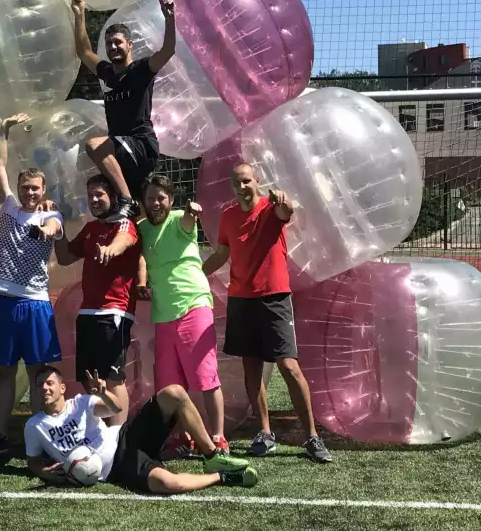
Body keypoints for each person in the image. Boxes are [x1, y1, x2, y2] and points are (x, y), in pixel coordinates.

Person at [203, 163, 333, 463]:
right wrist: (197, 274)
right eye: (237, 182)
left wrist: (282, 200)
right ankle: (264, 433)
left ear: (257, 182)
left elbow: (286, 211)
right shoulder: (228, 215)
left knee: (289, 366)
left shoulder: (269, 207)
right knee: (251, 368)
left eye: (246, 181)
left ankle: (311, 436)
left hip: (274, 298)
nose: (242, 186)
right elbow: (223, 252)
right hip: (241, 300)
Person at [24, 366, 257, 494]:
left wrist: (103, 392)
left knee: (173, 393)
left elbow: (116, 407)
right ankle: (223, 477)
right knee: (169, 485)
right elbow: (32, 460)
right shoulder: (34, 425)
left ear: (62, 387)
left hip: (125, 437)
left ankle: (212, 456)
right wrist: (44, 473)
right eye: (39, 385)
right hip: (119, 467)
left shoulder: (82, 402)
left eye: (49, 383)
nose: (44, 388)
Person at [0, 112, 65, 458]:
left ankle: (41, 436)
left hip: (35, 303)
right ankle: (1, 435)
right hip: (3, 301)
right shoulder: (10, 208)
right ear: (18, 190)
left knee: (39, 376)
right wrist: (3, 128)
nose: (30, 193)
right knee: (4, 375)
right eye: (26, 188)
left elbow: (54, 231)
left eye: (36, 189)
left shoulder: (50, 214)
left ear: (44, 191)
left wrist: (43, 230)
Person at [138, 174, 232, 459]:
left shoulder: (181, 218)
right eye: (151, 198)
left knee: (205, 377)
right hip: (163, 315)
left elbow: (188, 221)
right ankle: (183, 436)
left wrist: (192, 212)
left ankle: (218, 437)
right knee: (170, 385)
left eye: (161, 198)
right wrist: (142, 283)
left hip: (193, 306)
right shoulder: (141, 228)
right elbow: (141, 257)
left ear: (172, 200)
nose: (156, 203)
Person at [71, 0, 177, 219]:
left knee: (94, 145)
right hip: (122, 152)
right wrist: (80, 14)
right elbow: (84, 51)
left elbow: (168, 51)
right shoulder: (107, 73)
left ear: (130, 45)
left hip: (141, 145)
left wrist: (169, 18)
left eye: (118, 42)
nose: (113, 47)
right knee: (132, 219)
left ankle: (127, 200)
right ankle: (131, 210)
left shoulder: (141, 69)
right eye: (109, 43)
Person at [53, 174, 142, 426]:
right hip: (88, 314)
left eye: (99, 194)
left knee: (114, 379)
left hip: (114, 313)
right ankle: (99, 432)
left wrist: (110, 250)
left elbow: (123, 242)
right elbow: (66, 257)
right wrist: (58, 231)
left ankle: (117, 436)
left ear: (113, 197)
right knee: (90, 378)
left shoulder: (124, 224)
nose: (93, 199)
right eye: (90, 194)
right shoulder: (91, 229)